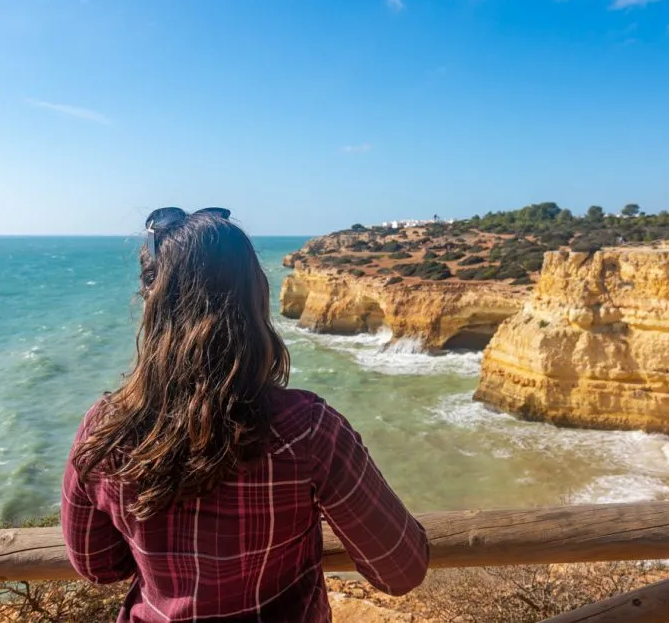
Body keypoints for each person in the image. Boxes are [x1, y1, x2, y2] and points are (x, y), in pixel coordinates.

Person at [61, 207, 429, 622]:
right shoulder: (308, 429)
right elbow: (401, 570)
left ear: (151, 301)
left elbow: (98, 566)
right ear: (255, 297)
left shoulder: (106, 429)